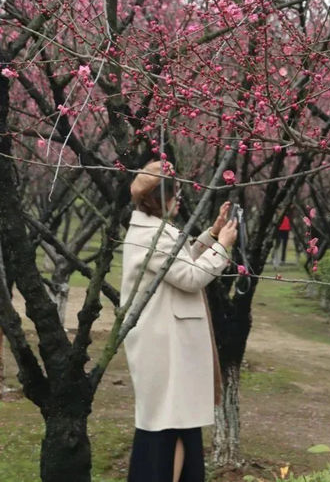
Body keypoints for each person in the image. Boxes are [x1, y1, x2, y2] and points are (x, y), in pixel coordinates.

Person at [120, 161, 238, 482]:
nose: (179, 199)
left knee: (176, 425)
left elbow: (178, 260)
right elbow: (190, 276)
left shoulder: (148, 229)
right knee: (169, 427)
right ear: (161, 198)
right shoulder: (154, 236)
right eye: (174, 193)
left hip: (164, 341)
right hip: (166, 345)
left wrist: (212, 234)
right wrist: (223, 247)